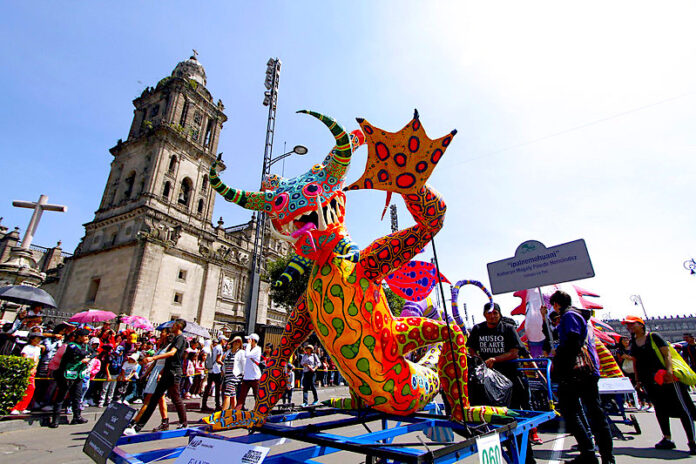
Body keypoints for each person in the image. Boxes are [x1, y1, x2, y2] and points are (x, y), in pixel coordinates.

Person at [467, 302, 540, 456]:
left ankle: (525, 456)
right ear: (484, 314)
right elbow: (471, 349)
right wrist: (479, 359)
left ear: (499, 314)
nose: (492, 316)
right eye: (489, 313)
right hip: (487, 384)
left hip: (510, 381)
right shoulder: (478, 329)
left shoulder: (508, 329)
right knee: (492, 421)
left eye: (495, 313)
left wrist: (495, 359)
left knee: (515, 419)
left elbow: (515, 352)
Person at [551, 290, 613, 464]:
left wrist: (560, 359)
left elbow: (572, 341)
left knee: (589, 414)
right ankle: (590, 453)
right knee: (581, 412)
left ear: (557, 304)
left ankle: (602, 456)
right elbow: (556, 335)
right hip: (580, 372)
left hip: (577, 372)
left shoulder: (570, 316)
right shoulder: (573, 315)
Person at [624, 315, 696, 455]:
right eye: (628, 325)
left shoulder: (653, 336)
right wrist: (638, 381)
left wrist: (669, 372)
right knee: (660, 409)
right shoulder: (634, 343)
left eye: (633, 324)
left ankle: (692, 442)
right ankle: (667, 439)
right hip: (649, 381)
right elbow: (636, 362)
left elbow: (667, 354)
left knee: (683, 409)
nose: (630, 327)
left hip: (667, 378)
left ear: (641, 324)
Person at [126, 319, 188, 433]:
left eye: (174, 325)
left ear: (178, 326)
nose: (172, 327)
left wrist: (153, 358)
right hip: (167, 372)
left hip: (174, 372)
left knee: (176, 398)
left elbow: (172, 353)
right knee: (154, 399)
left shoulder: (180, 339)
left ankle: (184, 423)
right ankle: (137, 427)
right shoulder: (175, 339)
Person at [129, 328, 170, 431]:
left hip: (160, 373)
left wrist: (161, 374)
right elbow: (154, 362)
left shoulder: (170, 348)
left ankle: (135, 421)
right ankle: (165, 421)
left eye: (163, 332)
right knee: (160, 399)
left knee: (149, 399)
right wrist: (146, 374)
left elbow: (168, 363)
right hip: (155, 371)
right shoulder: (161, 347)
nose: (161, 334)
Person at [50, 328, 91, 428]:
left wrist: (89, 355)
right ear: (79, 337)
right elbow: (80, 353)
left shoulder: (85, 346)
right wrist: (85, 358)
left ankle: (77, 417)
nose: (87, 338)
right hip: (67, 375)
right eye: (85, 336)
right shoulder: (72, 345)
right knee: (61, 397)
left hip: (78, 374)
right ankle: (55, 420)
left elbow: (94, 353)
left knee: (77, 396)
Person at [10, 333, 43, 414]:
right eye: (37, 338)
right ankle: (15, 407)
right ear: (32, 339)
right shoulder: (27, 347)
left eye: (39, 339)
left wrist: (34, 368)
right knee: (22, 388)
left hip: (32, 371)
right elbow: (24, 357)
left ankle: (23, 407)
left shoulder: (38, 349)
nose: (38, 340)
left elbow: (37, 359)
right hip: (26, 369)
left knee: (30, 388)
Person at [235, 333, 262, 410]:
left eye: (249, 340)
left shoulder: (257, 349)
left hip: (255, 377)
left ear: (253, 340)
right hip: (246, 377)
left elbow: (247, 355)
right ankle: (236, 412)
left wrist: (248, 345)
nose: (247, 341)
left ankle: (259, 412)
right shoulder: (249, 348)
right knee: (241, 397)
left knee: (257, 397)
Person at [201, 337, 225, 411]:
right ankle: (217, 405)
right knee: (217, 388)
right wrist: (224, 364)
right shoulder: (219, 348)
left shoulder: (214, 348)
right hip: (216, 370)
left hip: (211, 369)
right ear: (222, 341)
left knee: (208, 387)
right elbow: (218, 360)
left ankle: (204, 404)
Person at [221, 336, 243, 410]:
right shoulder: (228, 352)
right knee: (233, 395)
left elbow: (244, 364)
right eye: (235, 341)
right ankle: (234, 412)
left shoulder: (241, 352)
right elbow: (224, 363)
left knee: (227, 394)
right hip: (227, 375)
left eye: (238, 342)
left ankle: (223, 413)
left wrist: (243, 375)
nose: (237, 343)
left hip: (235, 376)